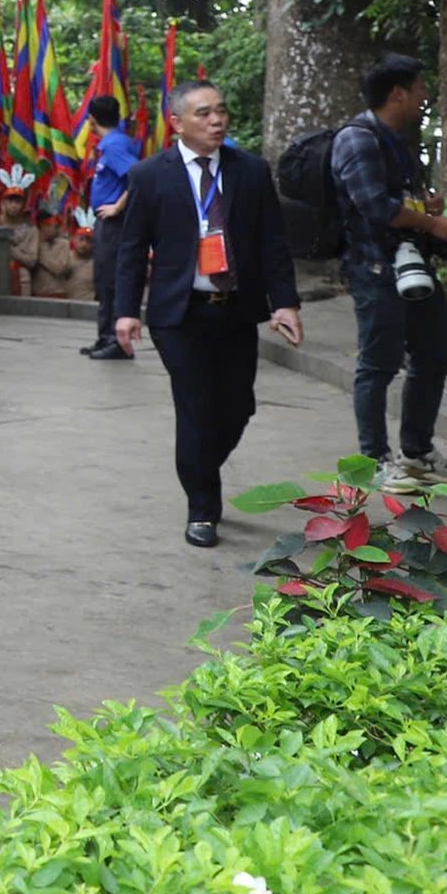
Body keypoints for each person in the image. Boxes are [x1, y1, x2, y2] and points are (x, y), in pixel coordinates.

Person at [112, 79, 303, 546]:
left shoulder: (251, 171)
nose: (217, 120)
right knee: (194, 407)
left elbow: (273, 244)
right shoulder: (148, 176)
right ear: (176, 122)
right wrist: (124, 312)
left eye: (221, 111)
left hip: (235, 309)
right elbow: (132, 250)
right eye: (204, 113)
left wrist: (285, 302)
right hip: (178, 315)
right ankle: (203, 508)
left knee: (238, 406)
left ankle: (199, 465)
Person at [331, 53, 447, 490]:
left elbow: (394, 199)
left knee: (435, 356)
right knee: (377, 365)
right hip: (375, 268)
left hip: (413, 265)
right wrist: (434, 223)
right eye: (421, 88)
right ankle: (373, 460)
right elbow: (373, 205)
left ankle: (417, 451)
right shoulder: (358, 139)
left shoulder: (395, 138)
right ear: (398, 93)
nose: (425, 97)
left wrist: (421, 205)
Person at [81, 94, 141, 360]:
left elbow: (137, 178)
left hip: (115, 223)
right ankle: (105, 336)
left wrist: (117, 206)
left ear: (91, 118)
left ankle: (117, 342)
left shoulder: (116, 145)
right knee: (104, 280)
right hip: (105, 222)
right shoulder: (111, 144)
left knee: (112, 281)